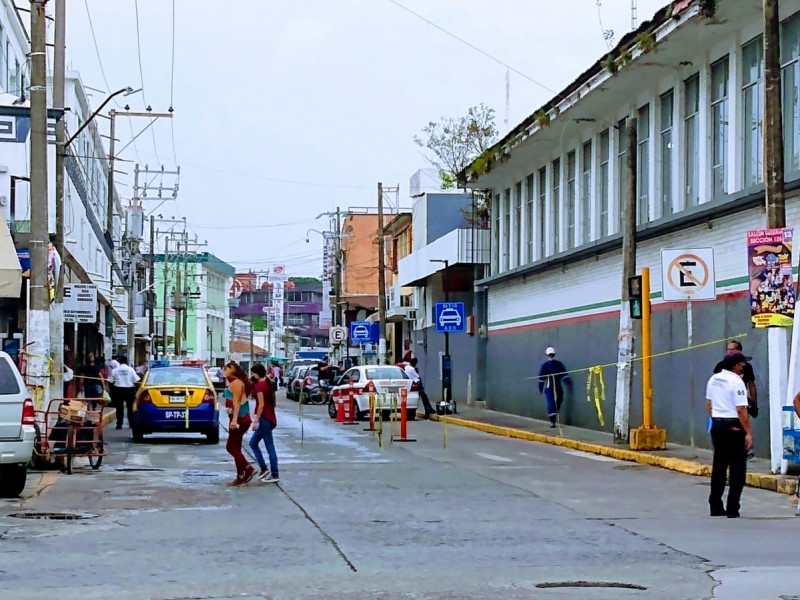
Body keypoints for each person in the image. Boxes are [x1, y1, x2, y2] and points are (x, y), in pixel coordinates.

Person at [706, 351, 753, 518]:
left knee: (719, 466)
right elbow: (741, 410)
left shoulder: (714, 379)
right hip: (733, 425)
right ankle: (733, 507)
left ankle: (715, 505)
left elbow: (709, 404)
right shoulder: (736, 382)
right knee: (737, 467)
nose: (744, 367)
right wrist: (748, 433)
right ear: (735, 366)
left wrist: (717, 421)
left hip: (718, 424)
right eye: (742, 364)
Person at [223, 361, 256, 486]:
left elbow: (236, 402)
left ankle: (248, 468)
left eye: (226, 369)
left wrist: (234, 420)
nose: (224, 371)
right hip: (240, 418)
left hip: (240, 418)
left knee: (231, 447)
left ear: (232, 369)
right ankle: (241, 475)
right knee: (235, 447)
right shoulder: (236, 382)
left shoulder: (236, 383)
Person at [249, 364, 279, 483]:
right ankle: (264, 469)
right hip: (269, 418)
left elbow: (261, 405)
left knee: (269, 446)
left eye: (252, 373)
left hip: (265, 419)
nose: (252, 376)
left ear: (256, 373)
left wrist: (255, 421)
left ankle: (274, 473)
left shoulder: (261, 385)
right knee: (253, 443)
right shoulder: (266, 383)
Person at [713, 340, 758, 418]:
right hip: (725, 404)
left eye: (732, 349)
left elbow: (751, 385)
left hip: (740, 401)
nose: (729, 352)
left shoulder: (747, 367)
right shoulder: (720, 366)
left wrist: (753, 404)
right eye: (728, 349)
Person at [538, 347, 570, 427]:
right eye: (549, 355)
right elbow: (541, 378)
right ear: (547, 355)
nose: (550, 356)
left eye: (551, 354)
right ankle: (553, 421)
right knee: (551, 403)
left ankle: (555, 415)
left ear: (554, 355)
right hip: (549, 387)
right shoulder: (545, 366)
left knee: (559, 399)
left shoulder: (558, 364)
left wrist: (568, 384)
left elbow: (564, 375)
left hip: (558, 386)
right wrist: (540, 388)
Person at [107, 355, 140, 430]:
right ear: (126, 361)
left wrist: (112, 389)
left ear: (119, 361)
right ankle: (131, 423)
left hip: (118, 390)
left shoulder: (115, 370)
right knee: (130, 408)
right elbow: (136, 380)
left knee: (119, 408)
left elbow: (110, 381)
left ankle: (119, 424)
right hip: (129, 390)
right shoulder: (130, 369)